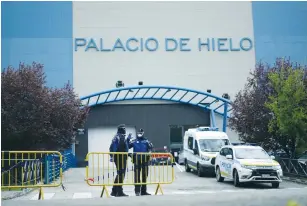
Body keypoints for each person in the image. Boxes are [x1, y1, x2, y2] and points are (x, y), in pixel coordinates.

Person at [128, 128, 153, 196]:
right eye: (138, 132)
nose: (139, 134)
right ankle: (137, 191)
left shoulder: (146, 141)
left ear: (143, 133)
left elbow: (151, 147)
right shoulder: (134, 141)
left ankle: (143, 191)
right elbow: (126, 146)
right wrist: (129, 154)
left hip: (145, 160)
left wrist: (150, 155)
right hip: (137, 161)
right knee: (137, 176)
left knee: (145, 176)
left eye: (140, 133)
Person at [109, 124, 129, 197]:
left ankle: (114, 191)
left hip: (122, 157)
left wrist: (128, 139)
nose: (125, 130)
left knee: (120, 174)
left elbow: (125, 147)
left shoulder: (121, 137)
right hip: (120, 157)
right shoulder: (118, 137)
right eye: (124, 129)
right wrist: (112, 156)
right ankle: (119, 192)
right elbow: (113, 147)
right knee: (121, 174)